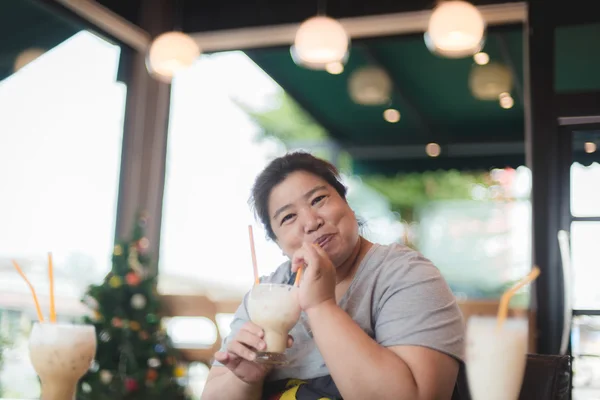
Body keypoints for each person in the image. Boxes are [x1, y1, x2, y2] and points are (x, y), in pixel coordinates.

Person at [202, 152, 464, 400]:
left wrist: (321, 306)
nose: (311, 221)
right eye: (289, 217)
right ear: (278, 242)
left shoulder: (407, 275)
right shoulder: (268, 293)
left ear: (346, 203)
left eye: (319, 200)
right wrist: (245, 381)